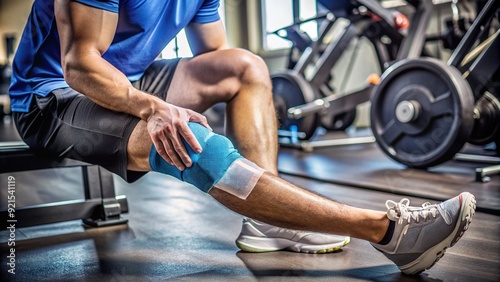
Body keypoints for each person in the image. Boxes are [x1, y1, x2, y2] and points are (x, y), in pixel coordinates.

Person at [8, 0, 476, 275]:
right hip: (52, 98)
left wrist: (190, 100)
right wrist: (157, 109)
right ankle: (390, 233)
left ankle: (266, 221)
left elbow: (216, 56)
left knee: (245, 65)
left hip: (132, 77)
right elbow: (80, 65)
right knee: (186, 138)